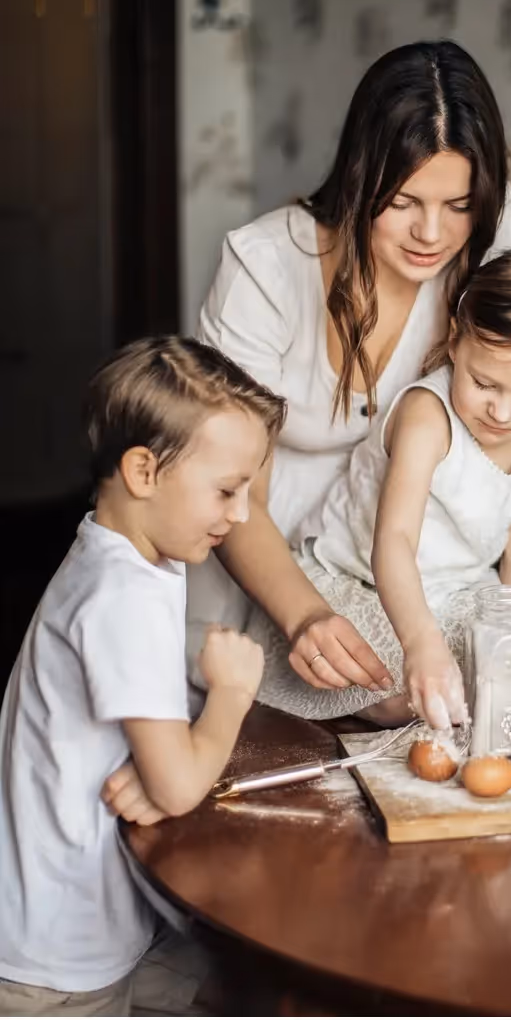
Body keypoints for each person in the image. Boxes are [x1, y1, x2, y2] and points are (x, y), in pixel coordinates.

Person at [185, 39, 511, 702]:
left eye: (458, 206)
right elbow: (227, 488)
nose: (433, 233)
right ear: (361, 178)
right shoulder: (264, 268)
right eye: (403, 202)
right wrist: (306, 613)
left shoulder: (501, 229)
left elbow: (510, 413)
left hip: (413, 595)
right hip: (258, 572)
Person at [0, 336, 281, 1017]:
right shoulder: (120, 596)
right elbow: (179, 786)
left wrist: (167, 754)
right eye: (226, 490)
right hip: (58, 962)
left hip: (88, 919)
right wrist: (231, 695)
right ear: (143, 472)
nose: (242, 515)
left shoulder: (128, 553)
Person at [252, 248, 511, 728]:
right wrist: (421, 646)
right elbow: (392, 545)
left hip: (458, 594)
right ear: (456, 341)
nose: (502, 412)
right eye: (484, 383)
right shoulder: (427, 417)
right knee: (413, 688)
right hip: (364, 584)